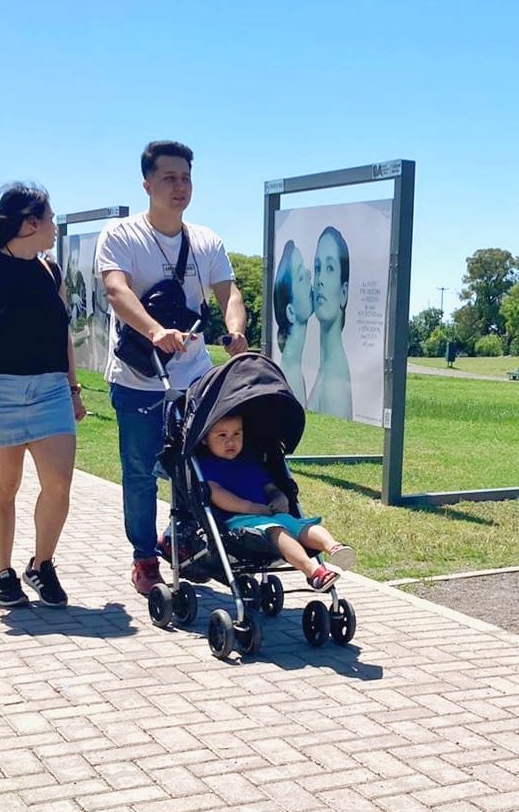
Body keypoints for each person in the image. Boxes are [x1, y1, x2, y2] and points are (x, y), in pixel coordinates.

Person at [98, 140, 249, 595]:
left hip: (194, 376)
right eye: (169, 178)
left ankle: (180, 539)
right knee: (141, 470)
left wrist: (236, 331)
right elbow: (117, 290)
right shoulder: (121, 235)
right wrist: (154, 331)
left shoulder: (206, 241)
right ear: (147, 185)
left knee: (196, 463)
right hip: (138, 376)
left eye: (185, 177)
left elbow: (229, 293)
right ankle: (144, 557)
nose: (179, 186)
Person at [0, 183, 85, 608]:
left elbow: (62, 335)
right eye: (50, 220)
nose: (54, 227)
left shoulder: (51, 272)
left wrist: (73, 389)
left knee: (58, 485)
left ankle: (41, 565)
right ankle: (3, 573)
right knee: (4, 489)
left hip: (50, 390)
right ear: (29, 223)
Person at [198, 413, 354, 591]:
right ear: (205, 439)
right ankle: (313, 571)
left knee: (302, 526)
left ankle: (335, 547)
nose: (231, 441)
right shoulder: (206, 466)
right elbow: (217, 494)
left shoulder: (250, 462)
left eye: (237, 434)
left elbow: (269, 487)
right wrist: (251, 508)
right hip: (241, 521)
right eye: (222, 435)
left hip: (270, 513)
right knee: (277, 531)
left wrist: (279, 498)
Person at [308, 225, 352, 419]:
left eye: (330, 268)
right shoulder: (327, 367)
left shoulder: (336, 379)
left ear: (344, 293)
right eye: (318, 268)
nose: (320, 280)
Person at [271, 239, 312, 403]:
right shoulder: (291, 377)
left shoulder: (293, 368)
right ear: (291, 312)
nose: (309, 274)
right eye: (301, 277)